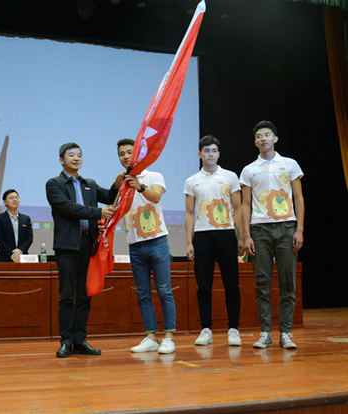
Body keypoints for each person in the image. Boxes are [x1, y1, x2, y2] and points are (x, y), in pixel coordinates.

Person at [46, 142, 117, 358]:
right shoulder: (54, 184)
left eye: (79, 155)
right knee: (67, 295)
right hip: (67, 246)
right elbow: (68, 208)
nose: (76, 158)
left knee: (85, 295)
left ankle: (80, 340)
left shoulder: (90, 184)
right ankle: (66, 341)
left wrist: (117, 185)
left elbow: (110, 197)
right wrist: (98, 212)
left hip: (89, 245)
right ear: (62, 160)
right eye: (71, 155)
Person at [240, 121, 304, 350]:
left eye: (267, 135)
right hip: (259, 230)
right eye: (259, 136)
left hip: (286, 227)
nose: (263, 138)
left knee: (288, 282)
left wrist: (299, 229)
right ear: (255, 142)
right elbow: (245, 204)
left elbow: (299, 197)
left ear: (275, 138)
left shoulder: (289, 164)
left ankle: (285, 333)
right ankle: (265, 333)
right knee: (262, 283)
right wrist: (246, 235)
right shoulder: (249, 170)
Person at [117, 139, 176, 354]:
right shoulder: (121, 182)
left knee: (164, 290)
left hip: (157, 242)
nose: (126, 156)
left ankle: (169, 337)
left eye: (129, 152)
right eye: (122, 154)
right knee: (143, 294)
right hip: (134, 245)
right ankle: (151, 337)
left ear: (138, 154)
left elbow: (156, 196)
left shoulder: (154, 176)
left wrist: (140, 186)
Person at [184, 135, 243, 347]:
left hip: (226, 233)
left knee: (231, 284)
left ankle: (233, 329)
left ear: (219, 154)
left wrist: (241, 236)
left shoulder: (230, 177)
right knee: (204, 285)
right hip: (202, 235)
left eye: (214, 151)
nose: (210, 154)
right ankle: (206, 329)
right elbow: (189, 213)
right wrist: (189, 242)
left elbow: (238, 208)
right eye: (206, 151)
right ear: (199, 154)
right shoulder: (192, 181)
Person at [0, 189, 34, 262]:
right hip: (4, 258)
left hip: (22, 257)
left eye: (16, 198)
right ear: (5, 202)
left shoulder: (25, 218)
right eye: (11, 198)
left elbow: (29, 238)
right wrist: (13, 255)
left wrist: (20, 251)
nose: (15, 200)